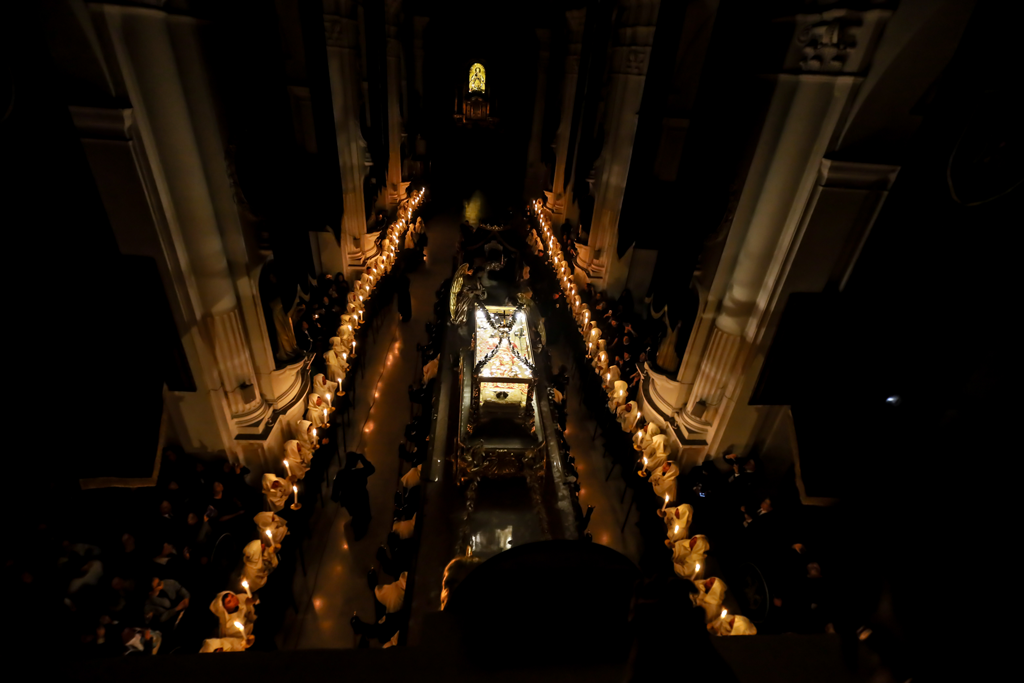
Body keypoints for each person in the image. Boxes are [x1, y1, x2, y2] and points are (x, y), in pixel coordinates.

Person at [331, 452, 376, 540]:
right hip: (361, 498)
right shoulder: (360, 472)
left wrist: (336, 498)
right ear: (356, 462)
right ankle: (360, 531)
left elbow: (335, 491)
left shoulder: (340, 474)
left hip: (348, 501)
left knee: (356, 513)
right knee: (362, 513)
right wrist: (362, 458)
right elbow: (372, 469)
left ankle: (357, 520)